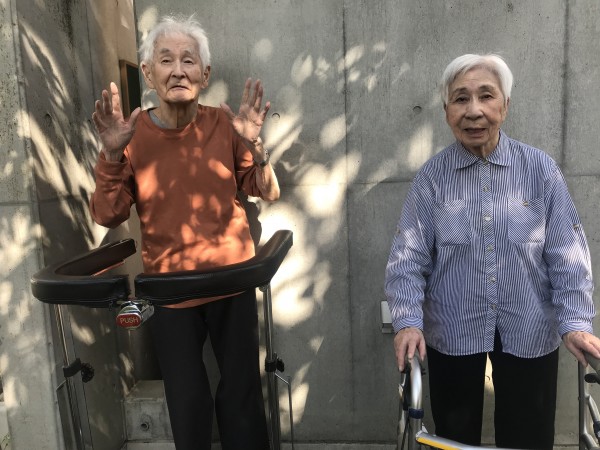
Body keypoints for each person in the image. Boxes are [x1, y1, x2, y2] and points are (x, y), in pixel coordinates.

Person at [384, 53, 600, 449]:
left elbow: (566, 253)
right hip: (453, 326)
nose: (474, 110)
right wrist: (408, 321)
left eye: (486, 96)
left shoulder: (539, 170)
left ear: (505, 105)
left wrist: (575, 322)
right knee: (453, 438)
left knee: (528, 437)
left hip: (529, 325)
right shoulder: (432, 178)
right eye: (460, 98)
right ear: (446, 110)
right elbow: (408, 258)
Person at [89, 15, 279, 450]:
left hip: (232, 280)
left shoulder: (224, 126)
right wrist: (112, 156)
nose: (178, 70)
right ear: (148, 73)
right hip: (169, 290)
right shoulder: (131, 137)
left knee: (243, 396)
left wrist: (256, 147)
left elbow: (268, 191)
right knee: (187, 401)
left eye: (189, 61)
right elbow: (106, 214)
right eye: (167, 60)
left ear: (204, 74)